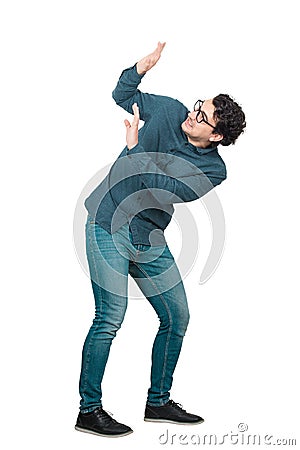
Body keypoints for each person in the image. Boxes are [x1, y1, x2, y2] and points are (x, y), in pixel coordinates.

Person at [75, 42, 246, 438]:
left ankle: (158, 402)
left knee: (177, 317)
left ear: (216, 135)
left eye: (202, 116)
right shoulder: (169, 110)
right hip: (108, 223)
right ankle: (89, 409)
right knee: (110, 318)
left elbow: (162, 191)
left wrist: (136, 150)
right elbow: (123, 95)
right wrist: (139, 68)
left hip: (148, 236)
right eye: (197, 105)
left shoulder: (213, 170)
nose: (192, 114)